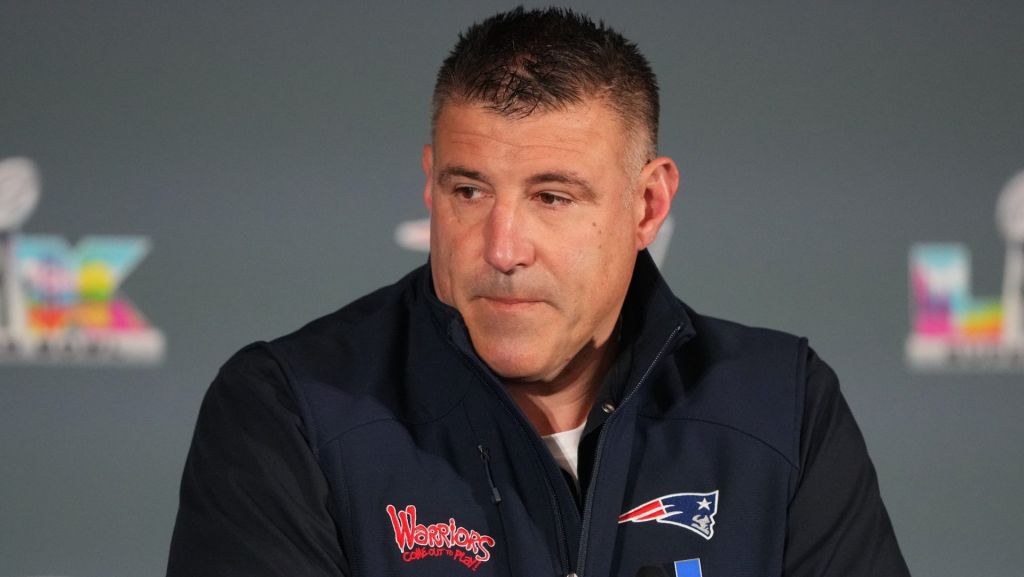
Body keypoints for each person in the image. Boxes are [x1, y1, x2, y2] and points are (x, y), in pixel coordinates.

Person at [167, 7, 911, 577]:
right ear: (430, 183)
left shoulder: (781, 406)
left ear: (647, 205)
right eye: (469, 190)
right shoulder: (289, 409)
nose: (502, 248)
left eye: (553, 197)